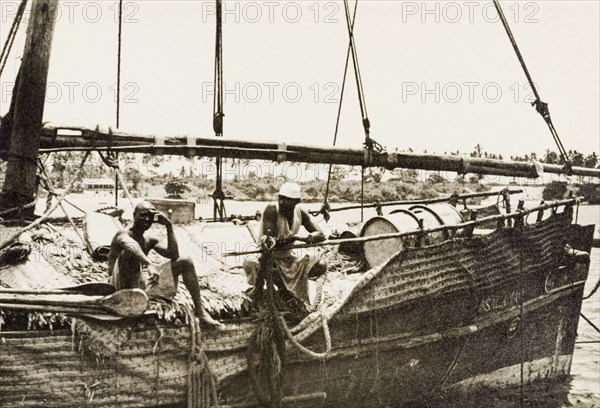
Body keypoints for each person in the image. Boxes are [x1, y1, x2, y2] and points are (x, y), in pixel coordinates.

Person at [108, 201, 221, 327]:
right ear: (134, 215)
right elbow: (131, 245)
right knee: (128, 253)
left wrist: (169, 226)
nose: (147, 219)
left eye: (151, 217)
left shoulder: (149, 239)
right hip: (119, 290)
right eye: (143, 215)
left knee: (185, 261)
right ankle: (135, 306)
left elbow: (174, 255)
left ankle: (200, 310)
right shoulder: (123, 234)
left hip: (143, 289)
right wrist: (148, 264)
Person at [243, 182, 326, 305]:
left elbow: (320, 235)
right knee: (251, 263)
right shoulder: (272, 209)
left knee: (320, 265)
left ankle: (287, 292)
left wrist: (298, 237)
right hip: (267, 258)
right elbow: (268, 242)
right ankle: (263, 294)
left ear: (296, 201)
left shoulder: (300, 212)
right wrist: (277, 241)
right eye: (281, 198)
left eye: (287, 200)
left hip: (287, 258)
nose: (282, 202)